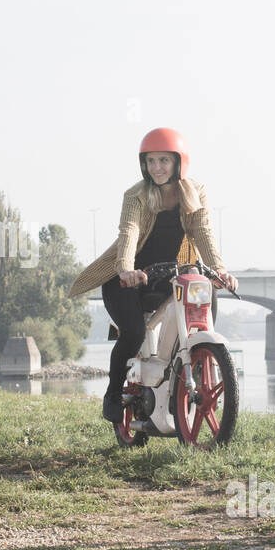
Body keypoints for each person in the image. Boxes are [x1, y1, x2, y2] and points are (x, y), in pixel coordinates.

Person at [69, 128, 238, 422]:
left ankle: (194, 366)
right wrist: (125, 269)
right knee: (134, 332)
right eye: (150, 161)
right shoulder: (136, 195)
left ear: (178, 162)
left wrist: (219, 270)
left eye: (163, 160)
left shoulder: (195, 193)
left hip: (169, 274)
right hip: (127, 279)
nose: (157, 168)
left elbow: (203, 233)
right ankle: (112, 394)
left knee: (205, 294)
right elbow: (129, 232)